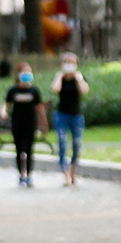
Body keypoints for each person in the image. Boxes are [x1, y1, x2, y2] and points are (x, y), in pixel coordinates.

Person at [1, 65, 47, 188]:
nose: (27, 74)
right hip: (17, 123)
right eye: (24, 72)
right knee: (19, 149)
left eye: (29, 72)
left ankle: (29, 175)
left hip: (30, 123)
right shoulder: (13, 91)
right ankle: (21, 174)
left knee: (29, 149)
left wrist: (44, 123)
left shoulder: (34, 91)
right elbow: (6, 104)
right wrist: (4, 113)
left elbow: (39, 107)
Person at [51, 52, 89, 187]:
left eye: (72, 62)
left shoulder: (79, 78)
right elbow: (55, 89)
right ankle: (66, 173)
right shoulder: (60, 78)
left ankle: (73, 171)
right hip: (61, 115)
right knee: (62, 143)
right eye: (67, 62)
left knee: (77, 145)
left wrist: (78, 78)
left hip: (76, 116)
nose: (69, 65)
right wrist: (60, 76)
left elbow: (85, 90)